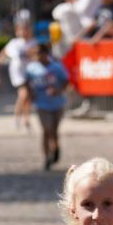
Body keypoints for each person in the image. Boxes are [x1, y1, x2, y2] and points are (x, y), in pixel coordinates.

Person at [25, 42, 69, 171]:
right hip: (41, 104)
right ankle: (46, 156)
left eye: (39, 53)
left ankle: (56, 148)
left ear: (46, 54)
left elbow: (65, 81)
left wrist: (58, 90)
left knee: (54, 130)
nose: (37, 56)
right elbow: (27, 83)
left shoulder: (56, 67)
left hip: (57, 103)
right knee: (46, 129)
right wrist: (30, 95)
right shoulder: (31, 69)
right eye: (35, 54)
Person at [0, 16, 34, 131]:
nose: (24, 32)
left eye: (26, 29)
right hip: (18, 74)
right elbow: (3, 53)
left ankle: (26, 120)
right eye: (21, 29)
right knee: (24, 95)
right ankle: (18, 118)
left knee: (27, 98)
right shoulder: (14, 43)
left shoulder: (33, 43)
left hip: (31, 73)